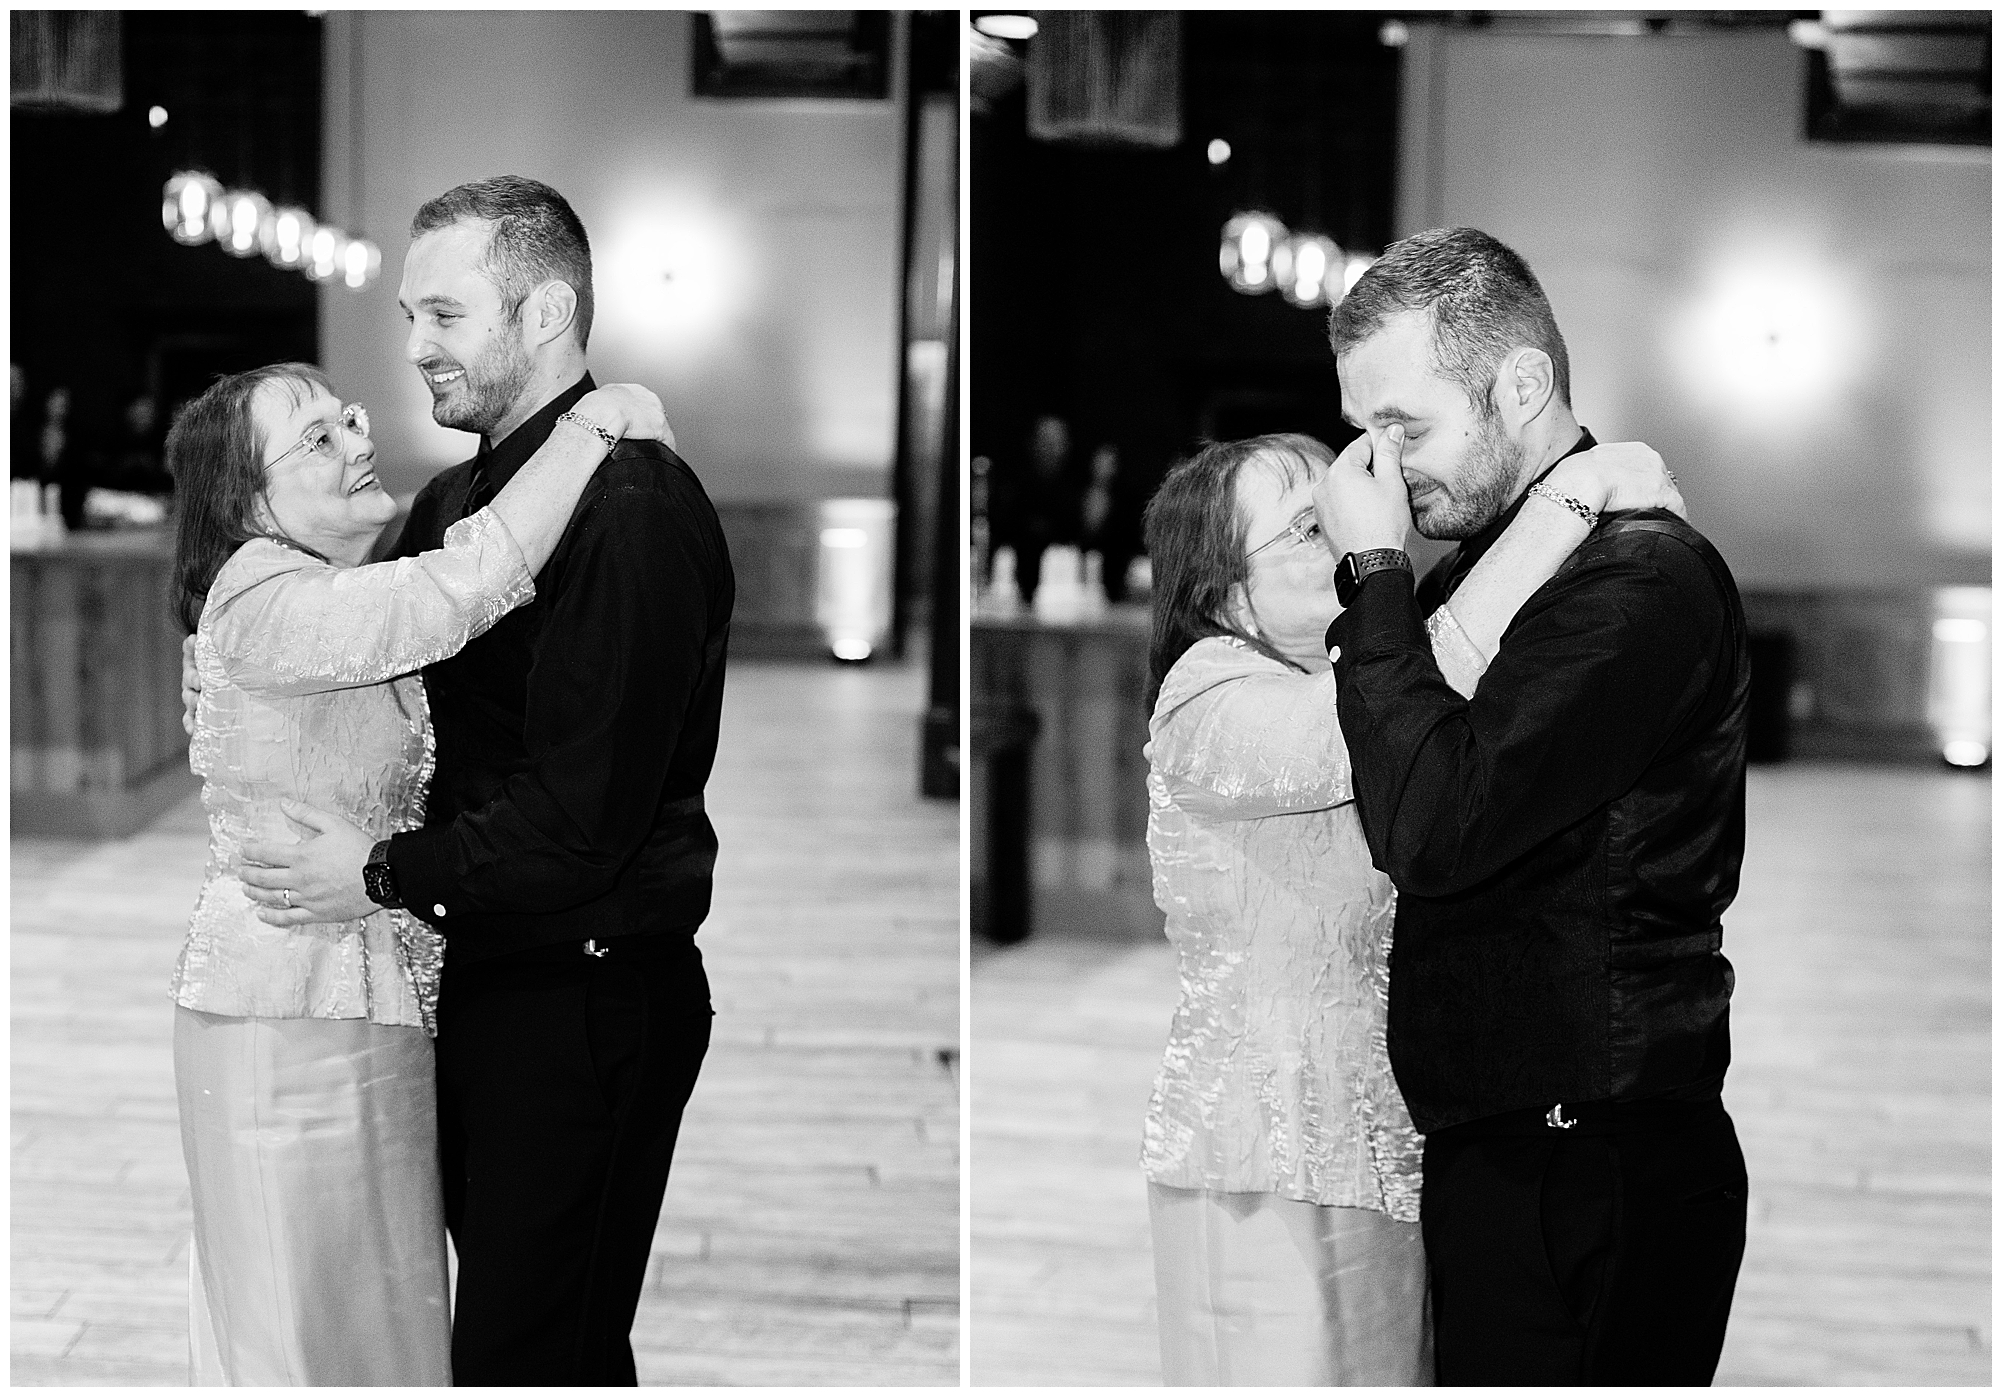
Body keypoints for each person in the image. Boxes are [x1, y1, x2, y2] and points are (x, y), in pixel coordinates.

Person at [228, 176, 736, 1386]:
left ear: (545, 311)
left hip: (586, 991)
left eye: (446, 315)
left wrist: (376, 873)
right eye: (411, 316)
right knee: (525, 1340)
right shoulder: (455, 502)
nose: (415, 347)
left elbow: (582, 819)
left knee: (529, 1351)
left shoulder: (632, 508)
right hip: (480, 976)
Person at [1140, 430, 1683, 1386]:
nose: (1345, 532)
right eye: (1309, 527)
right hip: (1269, 1153)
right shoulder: (1206, 697)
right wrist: (1579, 488)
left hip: (1390, 1141)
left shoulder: (1331, 671)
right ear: (1226, 593)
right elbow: (1390, 705)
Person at [169, 360, 669, 1384]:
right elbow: (460, 586)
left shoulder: (315, 590)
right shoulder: (263, 597)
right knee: (309, 1320)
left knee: (387, 1315)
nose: (358, 440)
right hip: (289, 1008)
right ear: (247, 501)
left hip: (371, 993)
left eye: (347, 418)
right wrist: (593, 424)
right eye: (317, 438)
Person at [1314, 226, 1751, 1385]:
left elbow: (1429, 825)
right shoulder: (1500, 560)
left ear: (1520, 384)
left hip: (1590, 1153)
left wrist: (1372, 575)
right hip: (1514, 1139)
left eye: (1405, 425)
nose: (1378, 468)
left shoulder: (1636, 579)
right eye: (1362, 430)